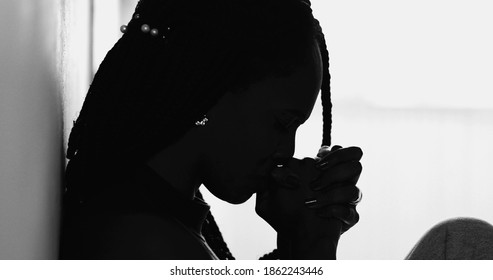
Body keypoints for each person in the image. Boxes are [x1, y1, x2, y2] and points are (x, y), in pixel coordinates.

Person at [59, 0, 363, 260]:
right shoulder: (149, 245)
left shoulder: (158, 209)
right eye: (282, 123)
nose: (287, 150)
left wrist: (298, 239)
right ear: (211, 91)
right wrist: (314, 249)